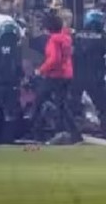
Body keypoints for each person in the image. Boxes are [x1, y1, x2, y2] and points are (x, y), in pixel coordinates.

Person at [32, 13, 78, 143]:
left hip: (55, 75)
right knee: (61, 104)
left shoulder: (53, 40)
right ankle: (73, 133)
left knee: (39, 100)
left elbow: (54, 59)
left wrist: (40, 70)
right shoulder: (66, 38)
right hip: (66, 74)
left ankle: (35, 131)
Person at [73, 9, 106, 138]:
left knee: (73, 105)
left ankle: (72, 130)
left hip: (77, 76)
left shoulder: (76, 36)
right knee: (105, 107)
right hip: (96, 77)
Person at [0, 21, 24, 143]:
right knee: (10, 114)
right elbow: (19, 67)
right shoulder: (18, 49)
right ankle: (7, 139)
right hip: (11, 85)